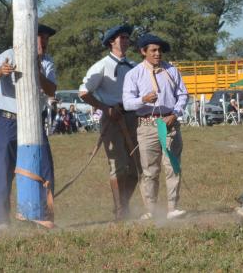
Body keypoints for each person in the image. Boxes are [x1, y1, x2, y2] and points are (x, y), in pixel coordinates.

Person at [0, 24, 58, 232]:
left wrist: (37, 70)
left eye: (46, 38)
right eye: (40, 38)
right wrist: (1, 71)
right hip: (8, 121)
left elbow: (51, 90)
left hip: (34, 121)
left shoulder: (47, 62)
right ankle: (2, 222)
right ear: (27, 37)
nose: (44, 42)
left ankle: (43, 219)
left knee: (45, 169)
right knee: (4, 171)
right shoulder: (8, 55)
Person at [122, 34, 189, 220]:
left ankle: (172, 208)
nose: (158, 54)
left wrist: (175, 114)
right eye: (153, 50)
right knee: (150, 169)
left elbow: (183, 94)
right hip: (146, 125)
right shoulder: (134, 74)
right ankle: (151, 210)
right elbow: (127, 103)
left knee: (172, 166)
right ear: (143, 52)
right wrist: (142, 99)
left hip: (170, 123)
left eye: (159, 50)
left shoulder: (172, 71)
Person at [79, 24, 140, 220]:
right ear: (111, 42)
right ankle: (120, 210)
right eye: (121, 37)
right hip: (112, 119)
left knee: (137, 168)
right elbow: (83, 93)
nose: (125, 41)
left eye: (126, 38)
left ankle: (124, 205)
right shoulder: (101, 66)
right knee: (118, 166)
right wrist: (106, 108)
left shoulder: (134, 65)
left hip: (133, 117)